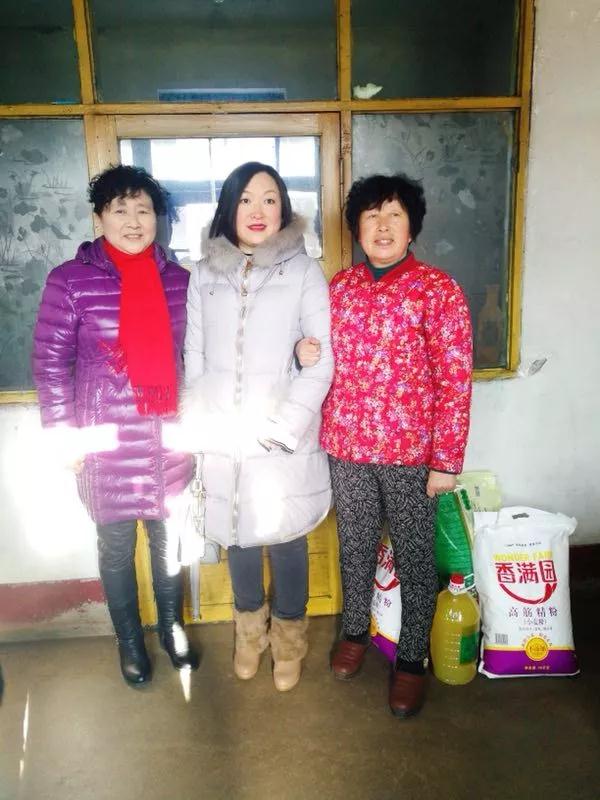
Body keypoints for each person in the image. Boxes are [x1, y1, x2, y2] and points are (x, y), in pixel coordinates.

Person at [32, 165, 198, 686]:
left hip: (169, 437)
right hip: (106, 442)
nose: (133, 221)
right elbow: (50, 365)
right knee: (116, 550)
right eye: (120, 209)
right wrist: (64, 436)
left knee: (170, 545)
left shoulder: (181, 281)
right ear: (99, 218)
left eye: (143, 210)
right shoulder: (69, 281)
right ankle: (128, 640)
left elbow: (198, 359)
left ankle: (171, 628)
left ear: (157, 219)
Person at [320, 173, 473, 717]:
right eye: (371, 216)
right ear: (357, 228)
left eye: (394, 215)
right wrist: (300, 350)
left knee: (414, 556)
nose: (382, 227)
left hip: (413, 455)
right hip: (347, 446)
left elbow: (455, 379)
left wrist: (445, 461)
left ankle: (411, 659)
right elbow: (317, 356)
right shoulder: (339, 288)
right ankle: (354, 632)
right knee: (356, 546)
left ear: (411, 227)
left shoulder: (438, 289)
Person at [184, 161, 333, 691]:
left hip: (282, 433)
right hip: (226, 433)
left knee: (287, 539)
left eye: (270, 199)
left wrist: (285, 428)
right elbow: (195, 356)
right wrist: (198, 421)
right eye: (246, 199)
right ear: (230, 207)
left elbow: (321, 360)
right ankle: (249, 635)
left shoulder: (304, 270)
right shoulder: (204, 272)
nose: (258, 210)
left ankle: (289, 642)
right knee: (238, 537)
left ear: (283, 209)